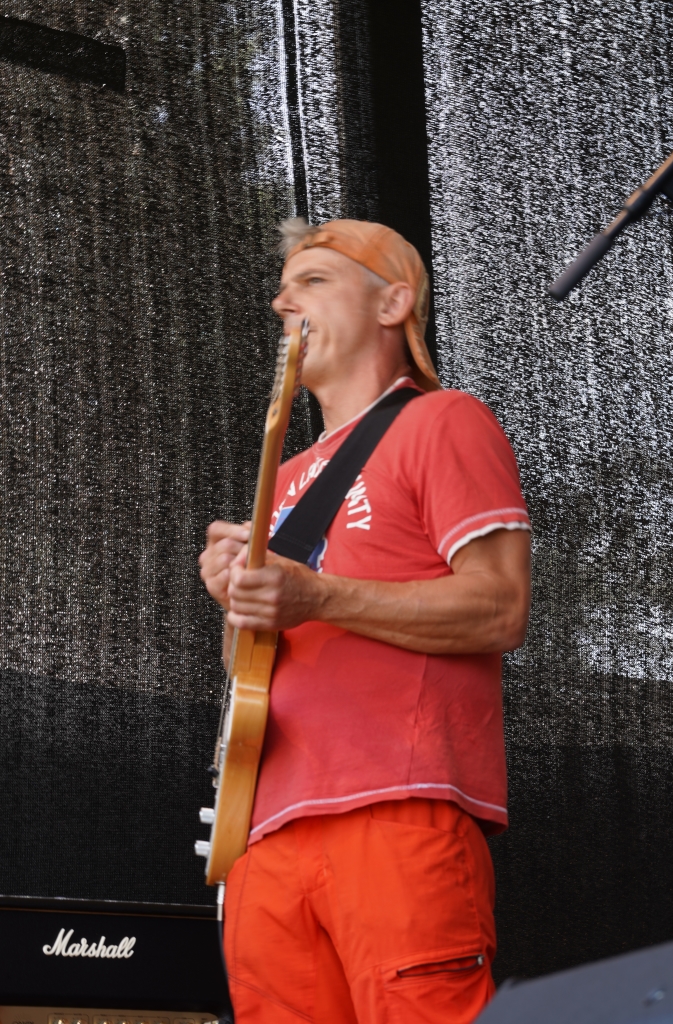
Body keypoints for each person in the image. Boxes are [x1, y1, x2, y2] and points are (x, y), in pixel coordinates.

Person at [199, 218, 532, 1024]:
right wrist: (234, 601)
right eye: (283, 288)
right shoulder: (282, 474)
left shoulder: (442, 419)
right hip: (262, 833)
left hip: (395, 805)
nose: (283, 302)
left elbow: (500, 606)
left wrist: (318, 596)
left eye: (313, 280)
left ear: (392, 303)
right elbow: (255, 666)